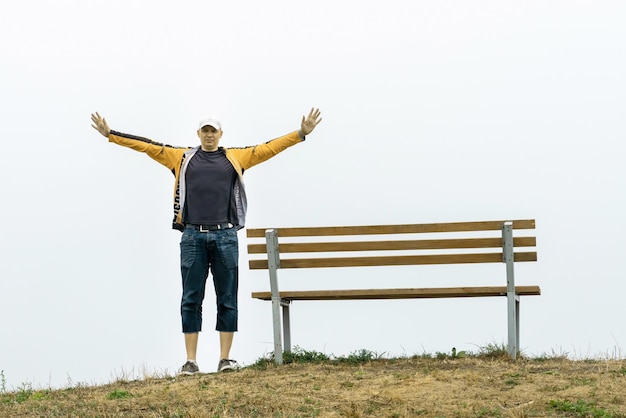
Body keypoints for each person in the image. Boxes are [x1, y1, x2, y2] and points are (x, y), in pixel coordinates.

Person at [90, 108, 322, 374]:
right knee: (191, 298)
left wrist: (301, 133)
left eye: (213, 131)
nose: (209, 135)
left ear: (220, 134)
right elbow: (147, 147)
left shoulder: (235, 157)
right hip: (192, 236)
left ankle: (225, 359)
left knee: (227, 298)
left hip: (225, 236)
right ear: (198, 134)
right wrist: (111, 134)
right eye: (205, 131)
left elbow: (267, 149)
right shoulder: (182, 157)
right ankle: (190, 361)